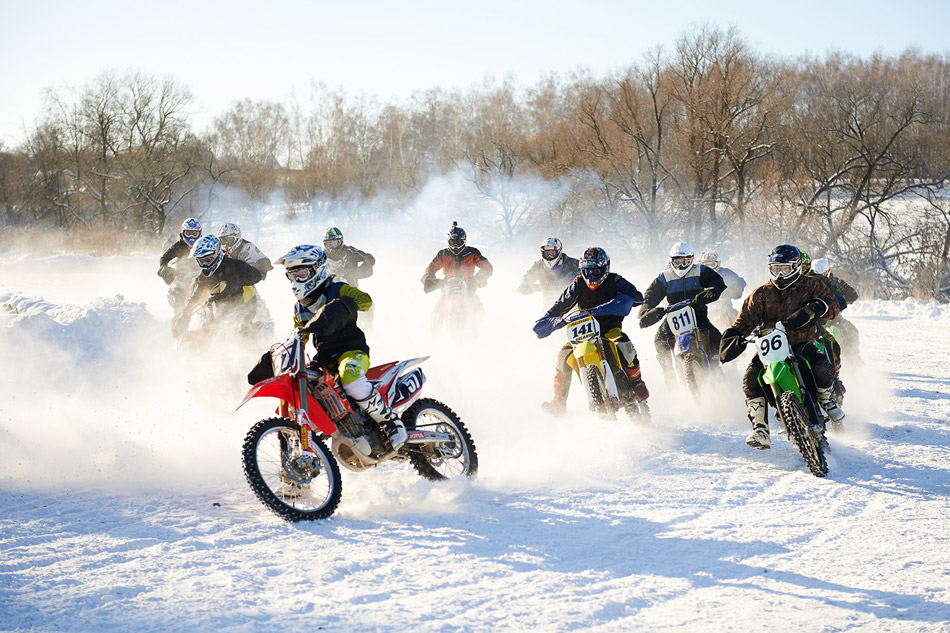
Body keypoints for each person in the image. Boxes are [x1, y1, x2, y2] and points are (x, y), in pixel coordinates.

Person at [274, 244, 407, 448]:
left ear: (316, 269)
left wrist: (345, 302)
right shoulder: (299, 308)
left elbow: (366, 302)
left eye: (300, 272)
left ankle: (391, 422)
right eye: (291, 274)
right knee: (307, 387)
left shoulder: (337, 288)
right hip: (325, 359)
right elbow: (298, 336)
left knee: (350, 378)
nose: (295, 279)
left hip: (351, 350)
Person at [719, 244, 845, 449]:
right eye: (776, 268)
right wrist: (733, 335)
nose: (780, 273)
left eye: (785, 268)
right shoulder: (760, 294)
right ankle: (760, 428)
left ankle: (826, 397)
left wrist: (817, 308)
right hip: (770, 349)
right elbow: (744, 321)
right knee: (751, 378)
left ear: (796, 267)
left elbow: (833, 306)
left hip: (801, 341)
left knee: (822, 364)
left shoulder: (812, 285)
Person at [532, 247, 650, 415]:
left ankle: (637, 382)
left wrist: (612, 305)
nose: (590, 276)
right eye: (586, 271)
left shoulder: (615, 280)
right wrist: (552, 320)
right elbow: (560, 305)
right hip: (583, 333)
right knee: (563, 356)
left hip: (610, 328)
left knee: (624, 345)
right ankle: (559, 402)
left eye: (595, 272)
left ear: (605, 269)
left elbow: (637, 297)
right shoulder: (578, 284)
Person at [637, 242, 727, 385]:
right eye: (677, 261)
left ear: (692, 259)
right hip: (673, 315)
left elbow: (718, 282)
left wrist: (707, 294)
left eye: (685, 261)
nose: (681, 265)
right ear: (671, 260)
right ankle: (668, 371)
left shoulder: (700, 270)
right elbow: (650, 296)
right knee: (659, 339)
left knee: (716, 336)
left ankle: (715, 363)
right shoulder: (664, 277)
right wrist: (645, 311)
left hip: (697, 313)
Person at [173, 235, 267, 338]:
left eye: (207, 259)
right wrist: (184, 318)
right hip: (220, 311)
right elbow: (194, 299)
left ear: (216, 254)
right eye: (200, 261)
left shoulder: (236, 266)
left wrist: (238, 280)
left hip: (245, 305)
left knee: (240, 330)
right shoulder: (203, 277)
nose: (203, 264)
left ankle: (261, 338)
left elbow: (257, 275)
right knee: (211, 333)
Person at [421, 221, 493, 331]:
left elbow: (488, 267)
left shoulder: (472, 252)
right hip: (447, 287)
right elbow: (430, 268)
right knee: (436, 314)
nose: (455, 245)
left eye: (458, 242)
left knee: (479, 309)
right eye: (452, 241)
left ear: (464, 240)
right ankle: (432, 341)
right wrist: (429, 279)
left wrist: (477, 279)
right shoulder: (443, 254)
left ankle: (479, 333)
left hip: (469, 287)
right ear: (448, 241)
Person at [158, 218, 203, 319]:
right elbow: (164, 257)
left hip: (201, 272)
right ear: (183, 233)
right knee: (177, 291)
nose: (191, 237)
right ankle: (178, 314)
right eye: (189, 233)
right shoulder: (178, 246)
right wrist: (163, 267)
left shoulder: (204, 244)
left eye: (194, 234)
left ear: (199, 234)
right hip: (182, 274)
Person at [517, 237, 581, 303]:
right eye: (547, 254)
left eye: (552, 253)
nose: (549, 256)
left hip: (572, 302)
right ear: (542, 253)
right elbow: (526, 278)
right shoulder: (539, 265)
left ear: (559, 252)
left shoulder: (572, 263)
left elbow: (586, 276)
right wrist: (532, 287)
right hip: (549, 304)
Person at [700, 250, 746, 329]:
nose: (710, 268)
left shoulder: (726, 273)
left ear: (718, 263)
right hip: (707, 311)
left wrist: (734, 289)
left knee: (740, 323)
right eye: (707, 265)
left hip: (725, 309)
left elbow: (741, 282)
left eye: (712, 264)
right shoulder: (700, 275)